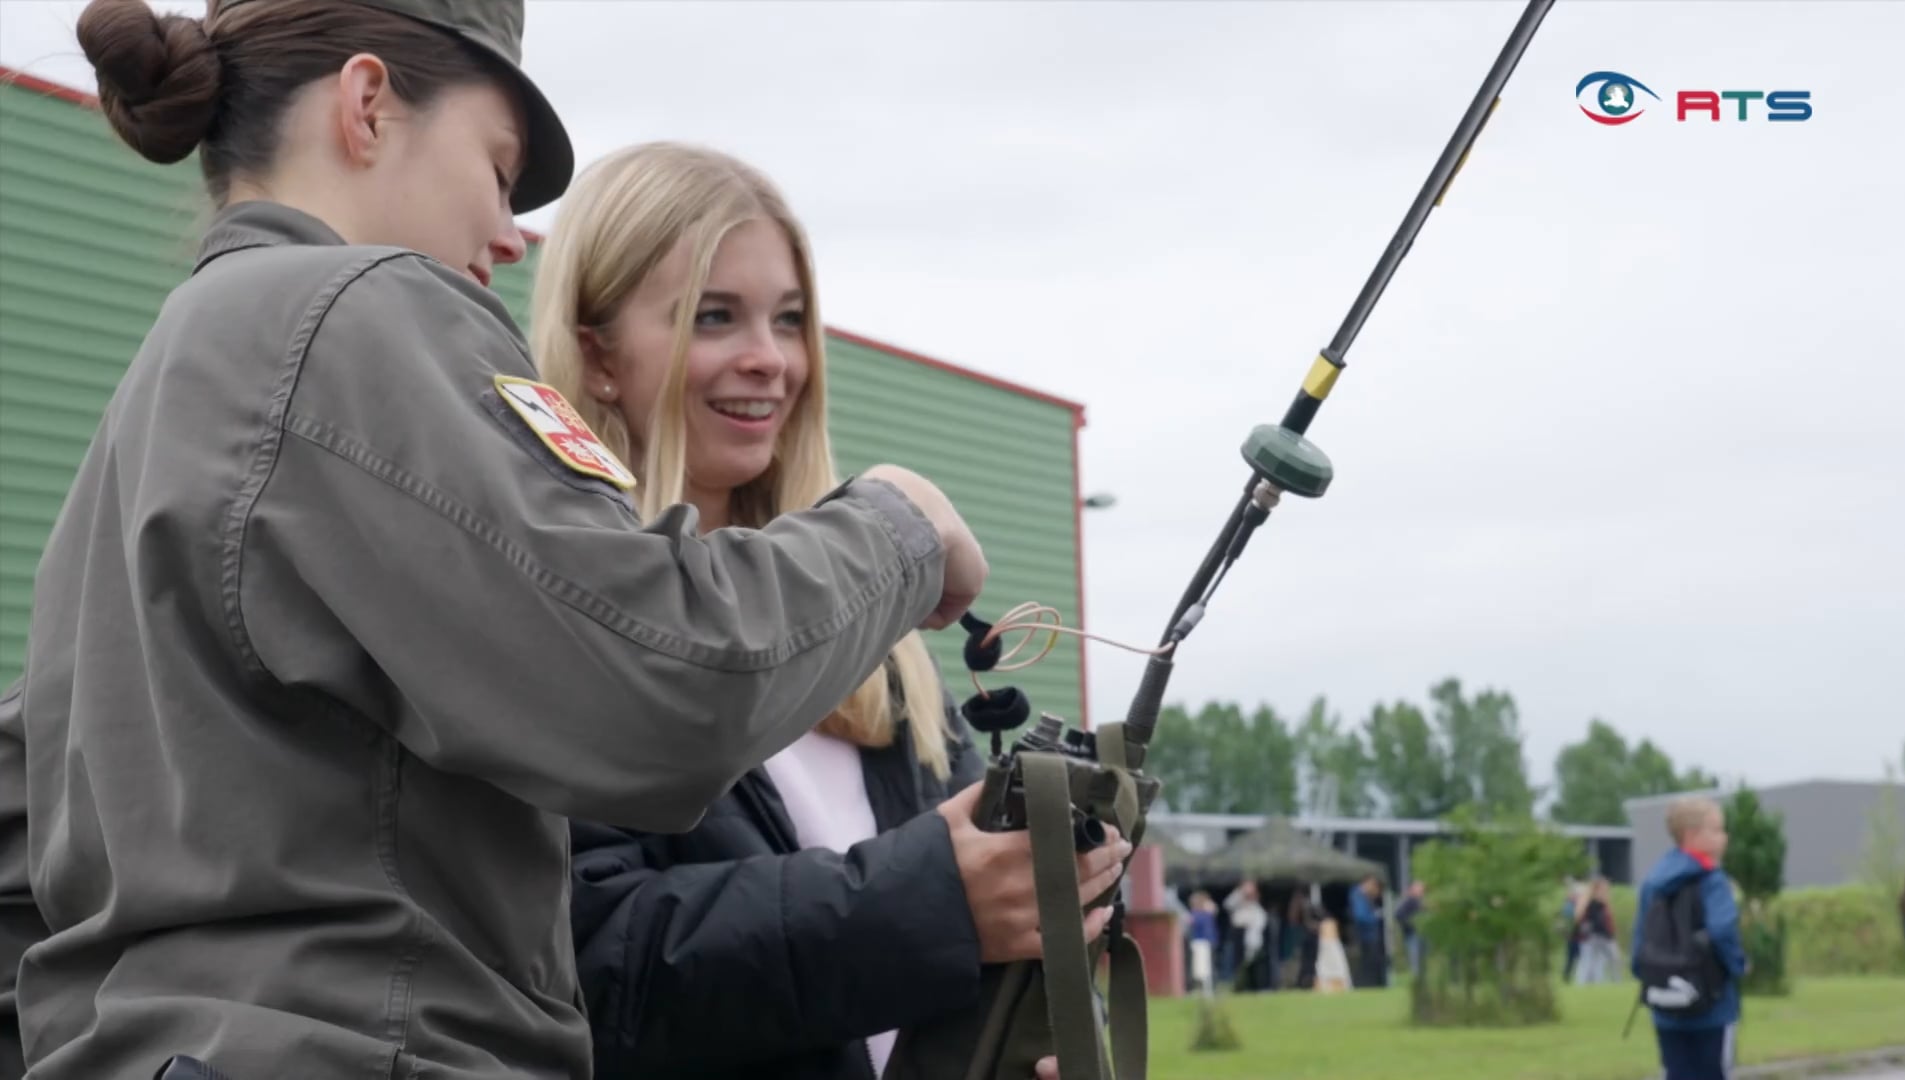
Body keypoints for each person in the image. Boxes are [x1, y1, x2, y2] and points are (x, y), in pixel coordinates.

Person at [0, 2, 991, 1077]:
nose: (508, 235)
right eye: (496, 164)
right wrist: (898, 524)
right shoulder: (352, 306)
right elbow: (660, 679)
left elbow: (23, 844)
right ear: (368, 105)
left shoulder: (162, 398)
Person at [536, 142, 1125, 1080]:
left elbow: (980, 942)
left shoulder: (881, 638)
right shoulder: (551, 615)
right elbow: (590, 964)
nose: (769, 360)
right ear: (599, 351)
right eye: (714, 316)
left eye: (791, 320)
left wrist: (1032, 1034)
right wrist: (933, 898)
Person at [1633, 797, 1746, 1080]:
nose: (1724, 837)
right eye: (1718, 829)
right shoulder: (1712, 879)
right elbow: (1721, 930)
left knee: (1676, 1071)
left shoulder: (1653, 881)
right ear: (1692, 835)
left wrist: (1646, 973)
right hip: (1711, 1002)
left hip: (1665, 999)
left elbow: (1640, 937)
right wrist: (1738, 965)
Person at [1574, 876, 1620, 984]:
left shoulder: (1603, 903)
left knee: (1602, 960)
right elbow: (1580, 917)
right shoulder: (1590, 902)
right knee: (1589, 961)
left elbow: (1608, 921)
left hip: (1604, 935)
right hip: (1592, 936)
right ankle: (1583, 983)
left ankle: (1603, 982)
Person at [1348, 874, 1386, 988]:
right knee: (1369, 962)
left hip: (1367, 934)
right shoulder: (1358, 896)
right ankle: (1369, 984)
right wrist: (1375, 917)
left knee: (1369, 961)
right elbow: (1360, 916)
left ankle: (1370, 984)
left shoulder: (1361, 896)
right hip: (1366, 935)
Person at [1395, 879, 1426, 980]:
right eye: (1418, 888)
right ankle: (1417, 981)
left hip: (1422, 935)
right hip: (1412, 935)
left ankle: (1422, 980)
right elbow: (1398, 915)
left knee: (1422, 959)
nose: (1421, 891)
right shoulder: (1409, 902)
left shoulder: (1420, 902)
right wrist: (1411, 924)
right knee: (1415, 960)